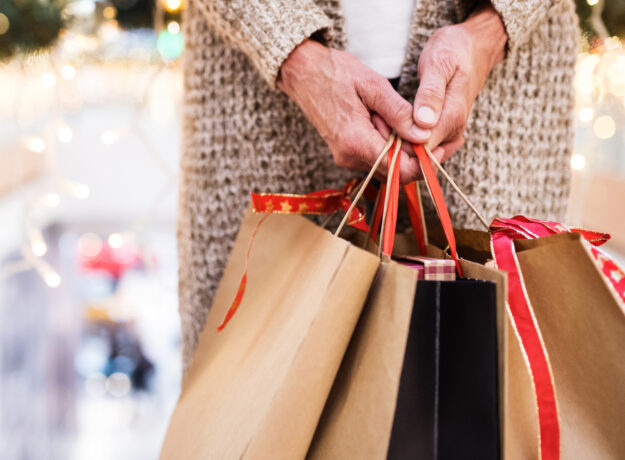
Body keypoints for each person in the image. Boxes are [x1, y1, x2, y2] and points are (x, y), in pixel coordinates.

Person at [178, 0, 579, 367]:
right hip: (259, 96)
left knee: (484, 389)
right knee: (255, 387)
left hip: (500, 89)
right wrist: (288, 48)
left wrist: (490, 32)